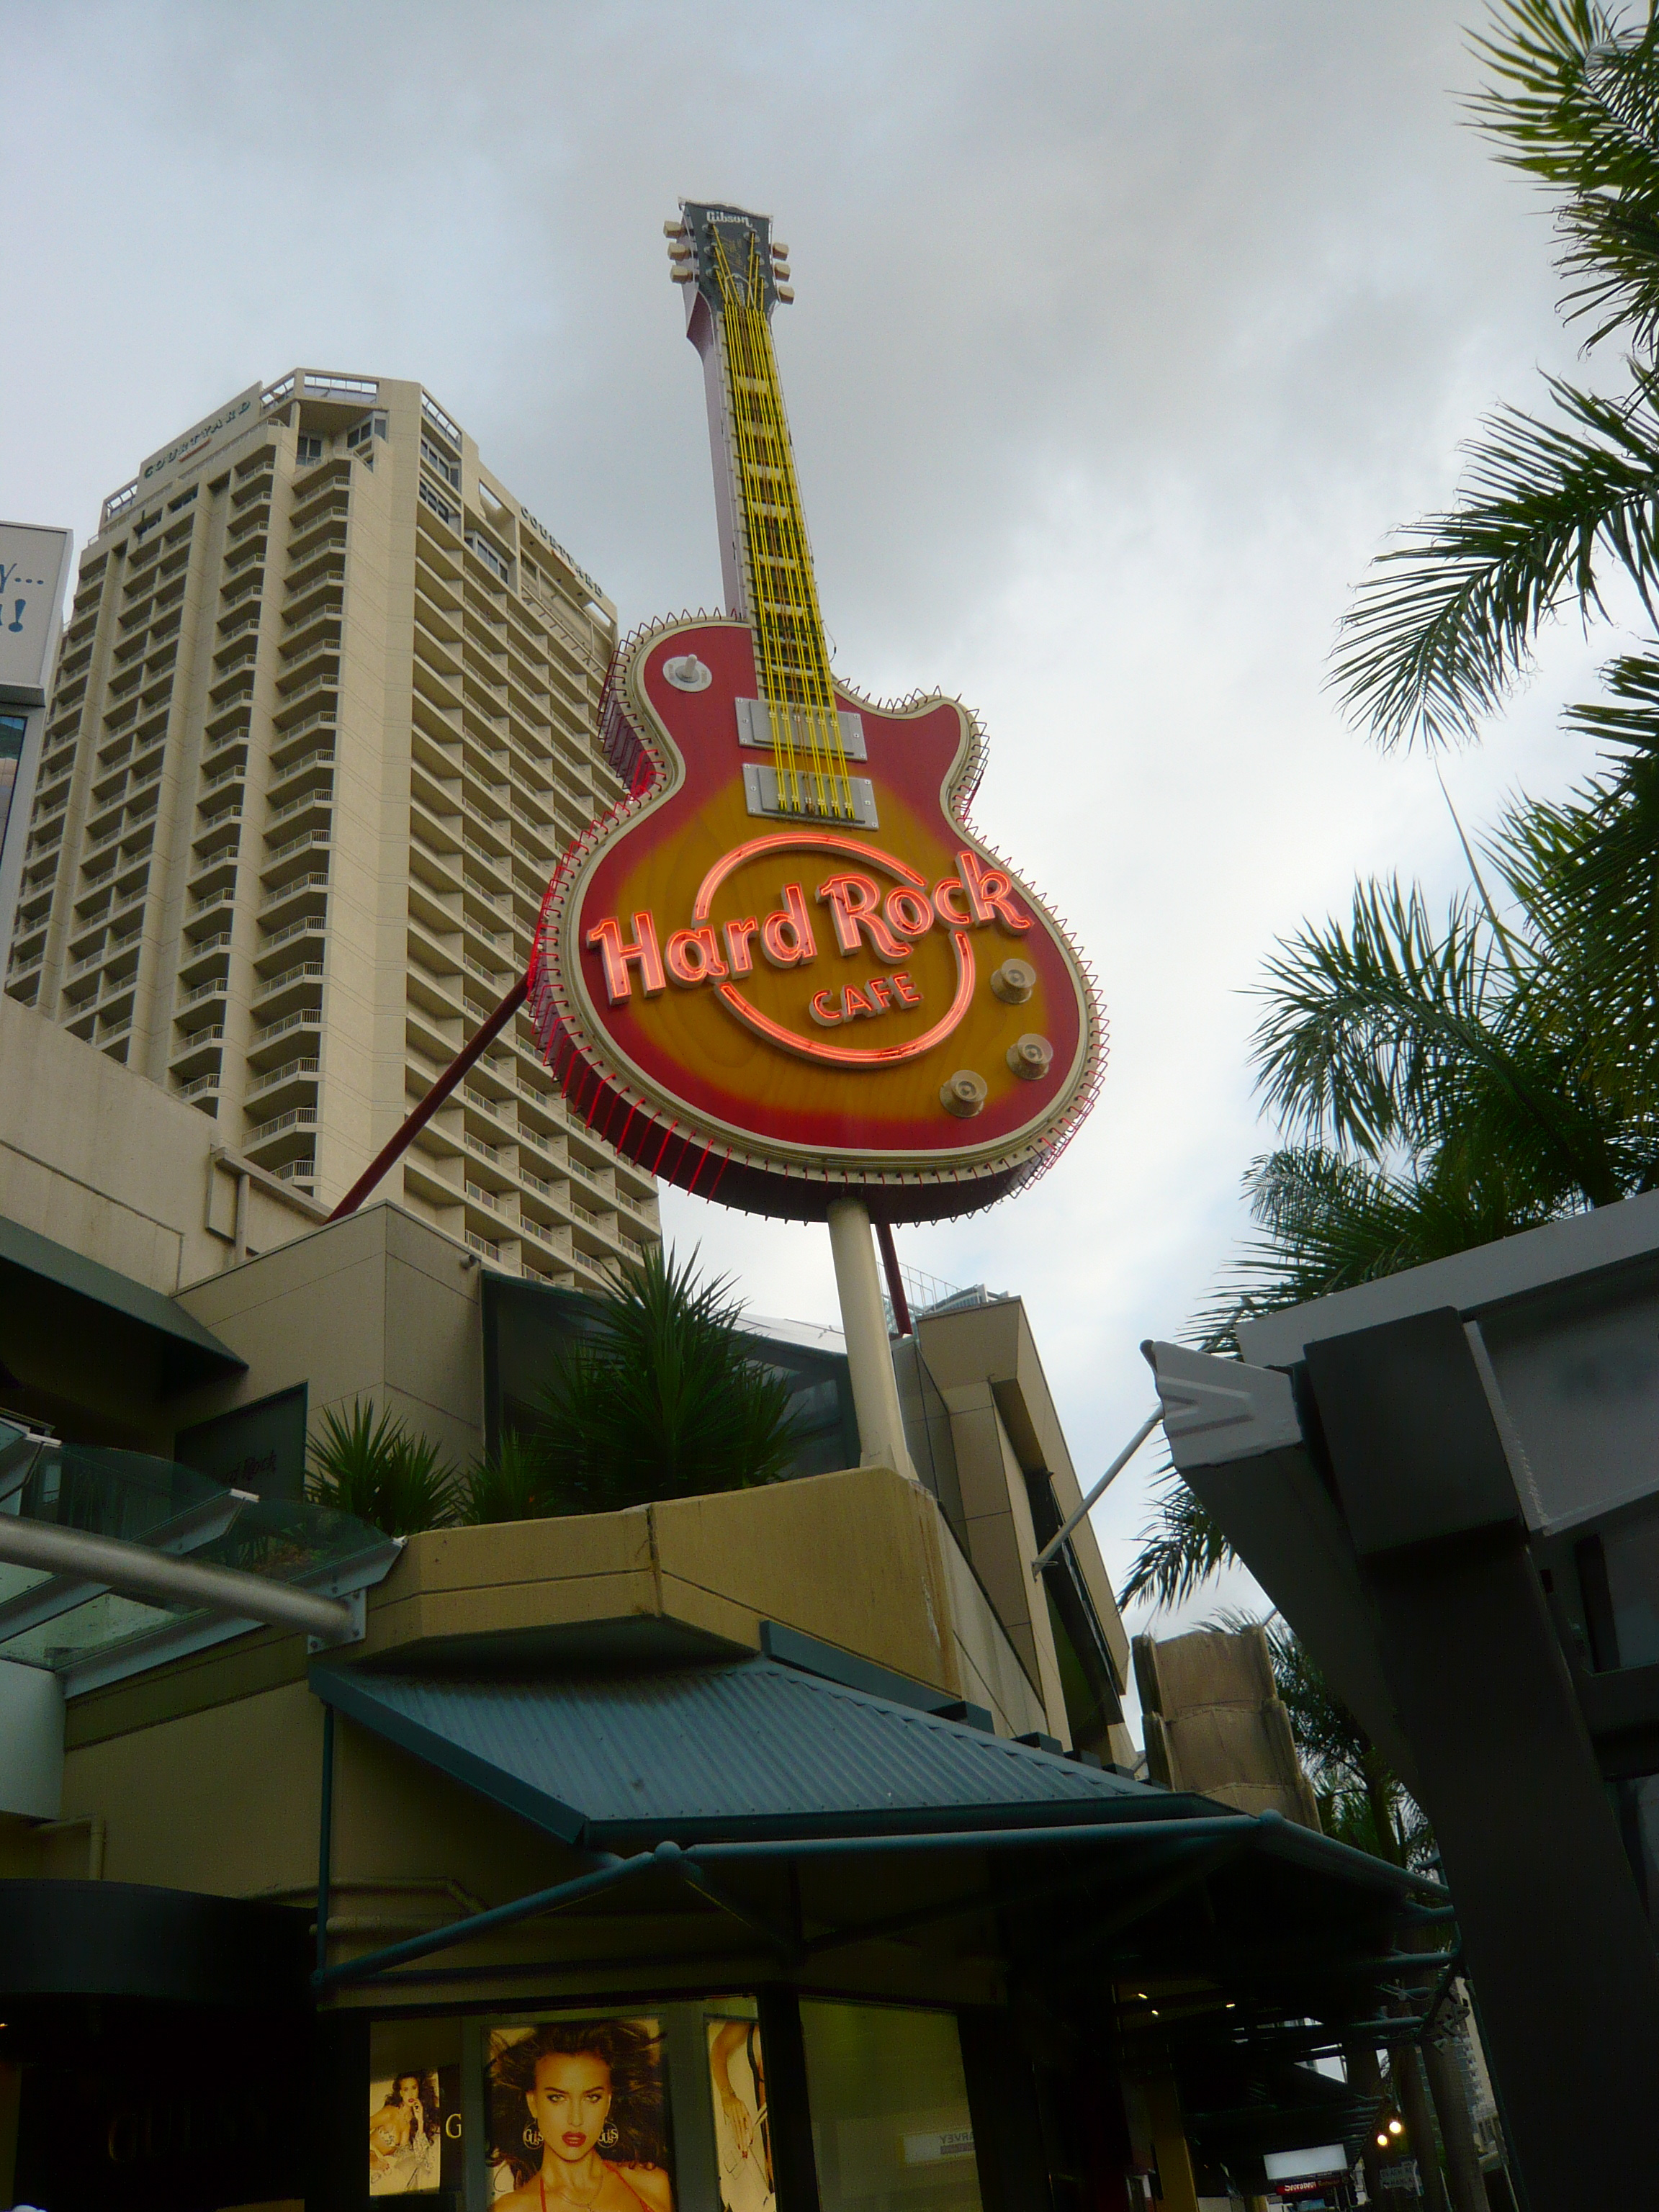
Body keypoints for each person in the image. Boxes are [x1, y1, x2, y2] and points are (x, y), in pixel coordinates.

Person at [492, 2022, 673, 2212]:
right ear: (533, 2104)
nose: (576, 2119)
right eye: (557, 2098)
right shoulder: (514, 2209)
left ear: (608, 2103)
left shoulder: (650, 2185)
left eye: (592, 2098)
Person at [370, 2071, 441, 2194]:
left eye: (414, 2088)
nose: (411, 2094)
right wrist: (371, 2159)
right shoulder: (389, 2113)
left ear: (419, 2090)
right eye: (406, 2089)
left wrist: (420, 2121)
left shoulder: (413, 2118)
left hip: (385, 2166)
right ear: (401, 2092)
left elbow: (420, 2156)